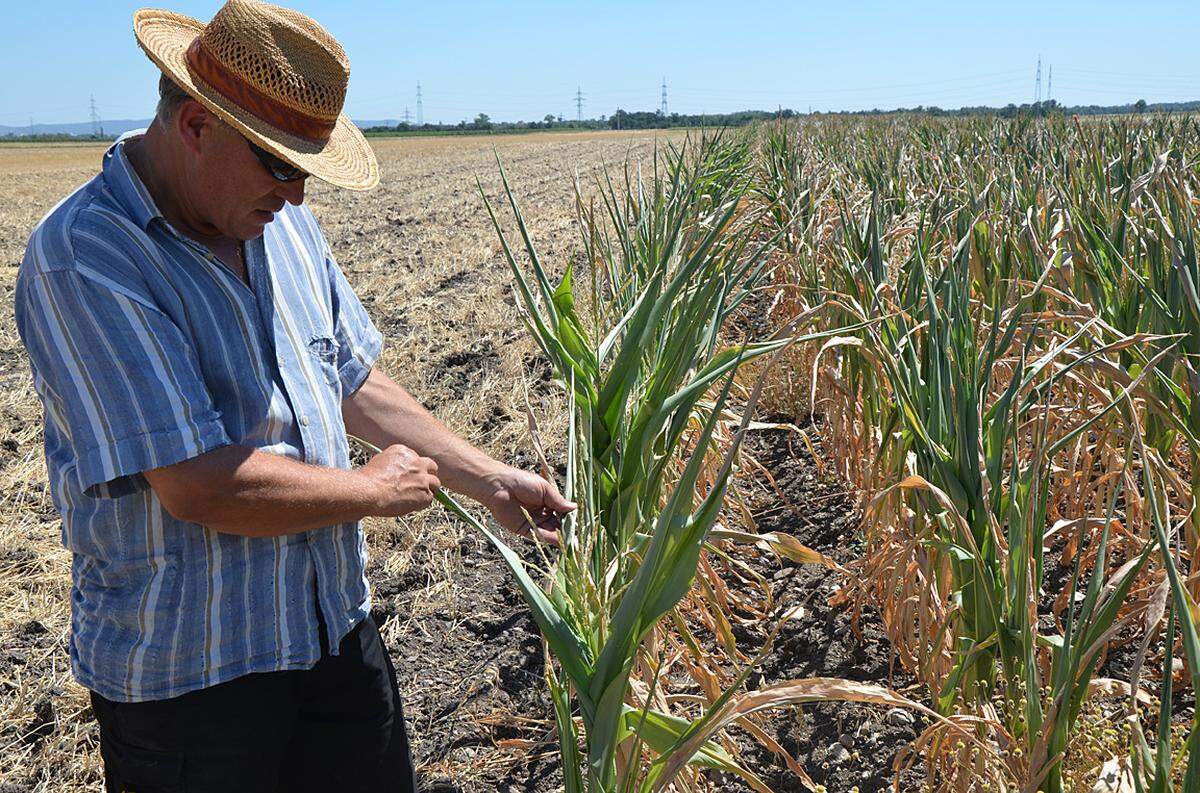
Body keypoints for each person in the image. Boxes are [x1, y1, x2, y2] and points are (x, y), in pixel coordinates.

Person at [14, 1, 574, 791]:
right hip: (193, 690)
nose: (299, 195)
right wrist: (371, 492)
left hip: (331, 632)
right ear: (197, 125)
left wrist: (485, 479)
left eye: (305, 167)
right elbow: (198, 483)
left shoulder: (277, 223)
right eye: (280, 164)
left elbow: (350, 376)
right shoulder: (86, 257)